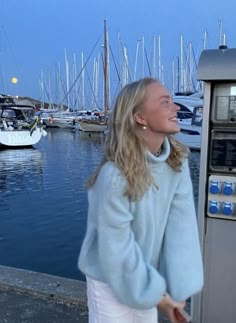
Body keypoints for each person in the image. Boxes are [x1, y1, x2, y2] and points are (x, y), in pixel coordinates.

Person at [78, 77, 204, 323]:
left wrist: (179, 284)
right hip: (107, 278)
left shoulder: (177, 163)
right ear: (140, 117)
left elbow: (181, 227)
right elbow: (116, 249)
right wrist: (160, 296)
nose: (176, 107)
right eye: (165, 101)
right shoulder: (113, 176)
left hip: (146, 274)